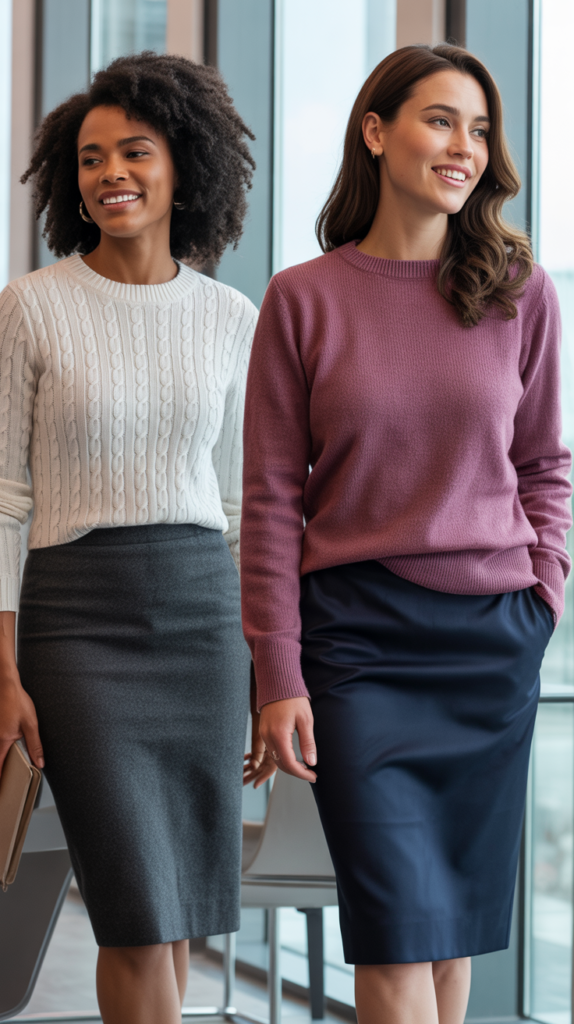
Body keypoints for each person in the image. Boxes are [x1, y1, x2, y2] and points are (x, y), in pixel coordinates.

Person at [240, 44, 572, 1024]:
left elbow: (546, 465)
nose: (465, 147)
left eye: (480, 130)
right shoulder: (303, 298)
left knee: (450, 935)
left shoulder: (521, 290)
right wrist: (279, 673)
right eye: (440, 120)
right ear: (376, 132)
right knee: (394, 934)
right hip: (358, 644)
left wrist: (543, 595)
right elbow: (270, 500)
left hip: (491, 644)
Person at [0, 51, 273, 1024]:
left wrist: (264, 665)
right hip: (76, 624)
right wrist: (3, 670)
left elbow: (241, 507)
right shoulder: (30, 307)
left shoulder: (232, 318)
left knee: (179, 912)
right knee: (132, 909)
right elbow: (5, 501)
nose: (109, 172)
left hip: (203, 624)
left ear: (183, 165)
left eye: (134, 151)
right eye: (89, 158)